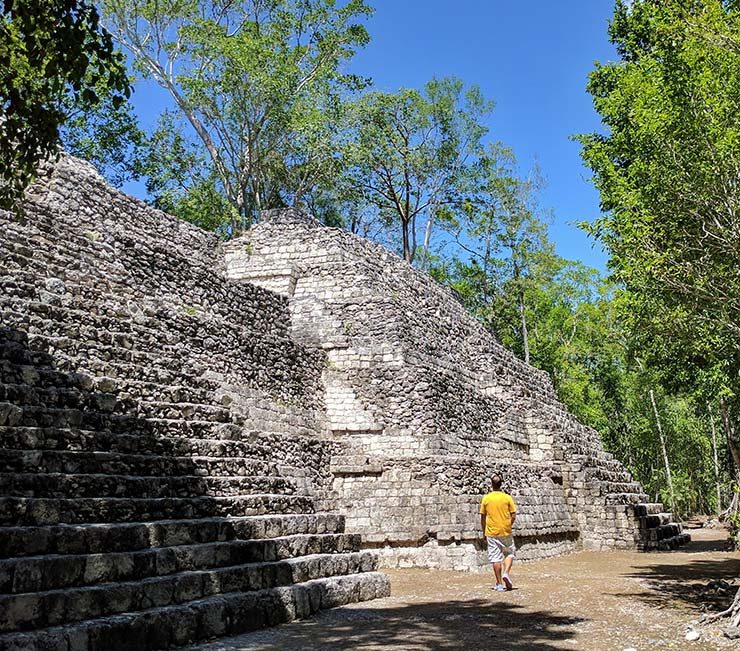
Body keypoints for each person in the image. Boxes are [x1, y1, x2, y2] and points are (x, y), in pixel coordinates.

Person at [480, 474, 517, 591]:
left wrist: (483, 531)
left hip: (491, 532)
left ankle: (499, 583)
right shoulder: (507, 498)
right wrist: (508, 525)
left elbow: (482, 516)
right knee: (509, 553)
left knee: (495, 558)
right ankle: (506, 572)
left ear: (491, 484)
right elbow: (514, 515)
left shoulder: (486, 498)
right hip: (505, 531)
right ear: (501, 484)